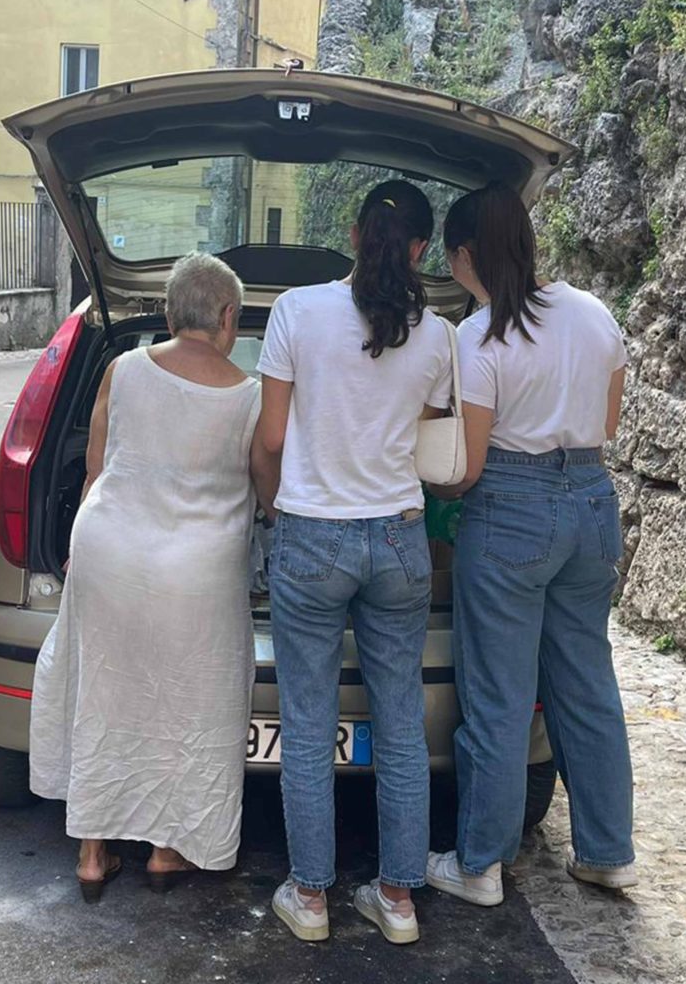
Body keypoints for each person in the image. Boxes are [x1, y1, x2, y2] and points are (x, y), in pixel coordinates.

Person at [251, 180, 453, 945]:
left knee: (308, 722)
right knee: (400, 722)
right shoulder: (438, 336)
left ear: (354, 232)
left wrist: (277, 508)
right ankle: (397, 900)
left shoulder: (296, 311)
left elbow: (272, 438)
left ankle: (310, 897)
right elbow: (420, 437)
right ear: (421, 249)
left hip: (312, 532)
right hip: (399, 537)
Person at [423, 183, 635, 908]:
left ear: (465, 254)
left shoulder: (479, 335)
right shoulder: (594, 312)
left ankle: (480, 864)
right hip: (593, 502)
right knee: (587, 685)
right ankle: (607, 853)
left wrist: (433, 487)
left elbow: (468, 466)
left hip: (512, 512)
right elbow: (608, 422)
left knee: (499, 697)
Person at [29, 252, 261, 902]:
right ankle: (165, 850)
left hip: (109, 551)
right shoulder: (251, 397)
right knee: (189, 706)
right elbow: (266, 492)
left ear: (167, 312)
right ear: (228, 317)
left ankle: (92, 854)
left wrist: (78, 551)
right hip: (198, 571)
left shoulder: (123, 368)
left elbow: (96, 467)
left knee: (104, 696)